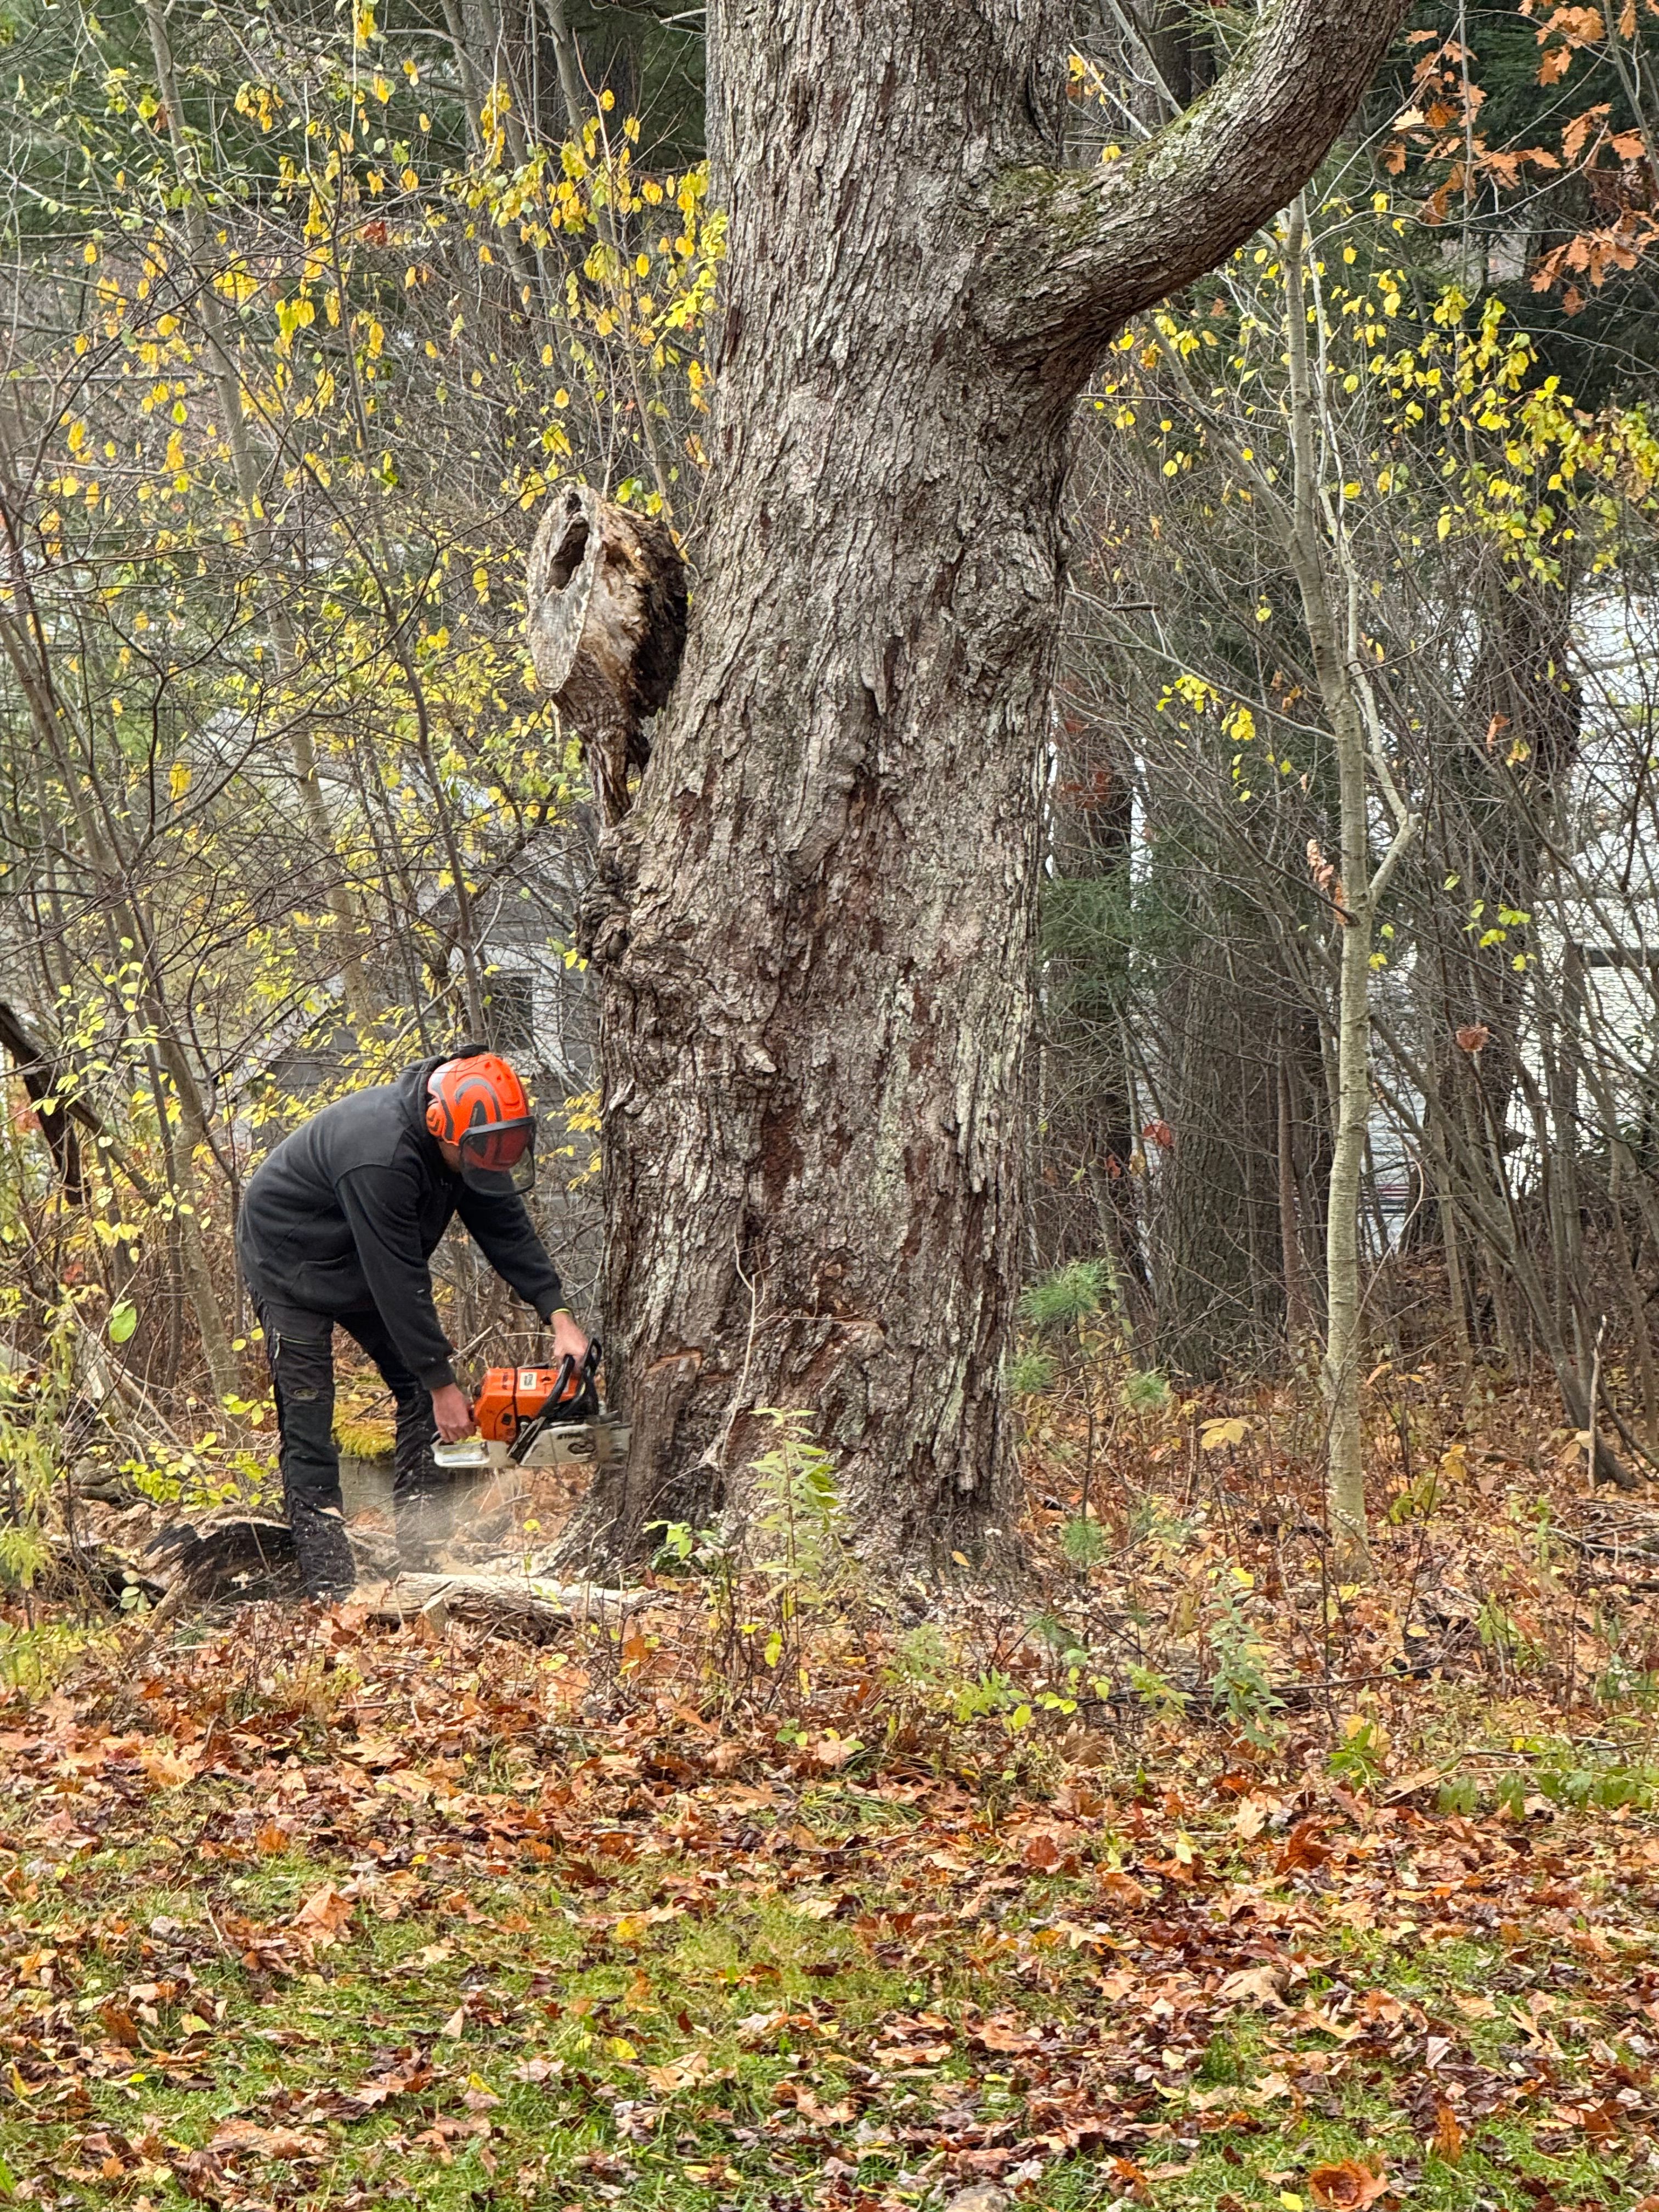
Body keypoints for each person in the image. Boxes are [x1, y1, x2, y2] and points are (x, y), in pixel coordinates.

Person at [236, 1047, 589, 1598]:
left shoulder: (472, 1140)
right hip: (289, 1262)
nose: (488, 1159)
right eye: (479, 1151)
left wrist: (558, 1314)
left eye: (501, 1148)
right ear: (436, 1125)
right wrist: (441, 1382)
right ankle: (329, 1584)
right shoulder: (380, 1156)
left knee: (425, 1397)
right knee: (311, 1414)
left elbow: (507, 1229)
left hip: (364, 1257)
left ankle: (419, 1556)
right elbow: (397, 1277)